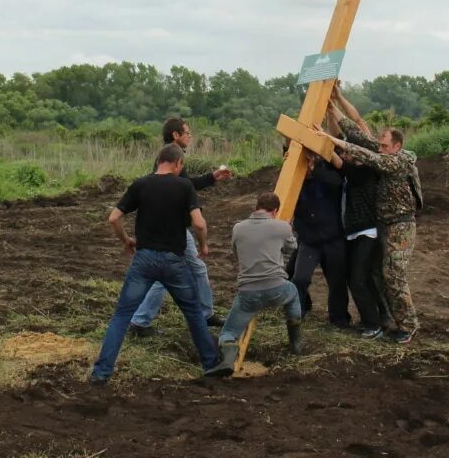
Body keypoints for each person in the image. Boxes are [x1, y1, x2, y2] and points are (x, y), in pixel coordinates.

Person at [89, 143, 231, 382]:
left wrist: (127, 241)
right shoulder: (184, 186)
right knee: (194, 313)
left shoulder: (140, 184)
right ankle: (210, 364)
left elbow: (113, 218)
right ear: (177, 164)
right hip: (174, 262)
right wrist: (204, 245)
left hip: (143, 259)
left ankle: (101, 373)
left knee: (122, 316)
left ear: (158, 162)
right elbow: (199, 223)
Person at [316, 90, 423, 344]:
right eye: (381, 144)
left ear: (397, 146)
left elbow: (365, 154)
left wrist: (330, 139)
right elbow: (356, 132)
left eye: (385, 144)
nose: (381, 146)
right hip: (384, 224)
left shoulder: (397, 161)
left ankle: (409, 325)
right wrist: (333, 106)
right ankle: (386, 318)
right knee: (377, 274)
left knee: (393, 273)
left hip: (401, 224)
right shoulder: (384, 153)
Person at [129, 117, 232, 337]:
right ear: (175, 135)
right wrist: (210, 180)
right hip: (173, 229)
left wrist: (211, 177)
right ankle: (140, 321)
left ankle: (204, 314)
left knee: (194, 269)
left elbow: (187, 185)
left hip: (172, 227)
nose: (190, 136)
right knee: (167, 275)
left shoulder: (170, 157)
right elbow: (186, 187)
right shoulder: (171, 158)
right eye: (187, 132)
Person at [327, 89, 392, 338]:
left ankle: (375, 322)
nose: (346, 153)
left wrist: (333, 104)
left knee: (361, 278)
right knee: (364, 277)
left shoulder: (367, 167)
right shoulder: (354, 169)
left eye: (349, 151)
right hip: (354, 231)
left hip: (368, 229)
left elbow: (355, 126)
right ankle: (377, 319)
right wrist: (332, 103)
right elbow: (340, 139)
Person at [214, 192, 304, 372]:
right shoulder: (282, 227)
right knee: (293, 292)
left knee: (228, 333)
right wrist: (286, 229)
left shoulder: (238, 228)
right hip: (276, 288)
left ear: (256, 207)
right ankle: (296, 345)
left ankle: (227, 363)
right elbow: (292, 248)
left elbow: (237, 253)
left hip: (248, 293)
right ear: (275, 210)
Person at [289, 143, 351, 328]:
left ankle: (339, 319)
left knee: (337, 281)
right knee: (299, 279)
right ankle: (298, 313)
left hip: (333, 238)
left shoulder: (326, 173)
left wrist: (314, 170)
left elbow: (338, 182)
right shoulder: (293, 182)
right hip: (309, 241)